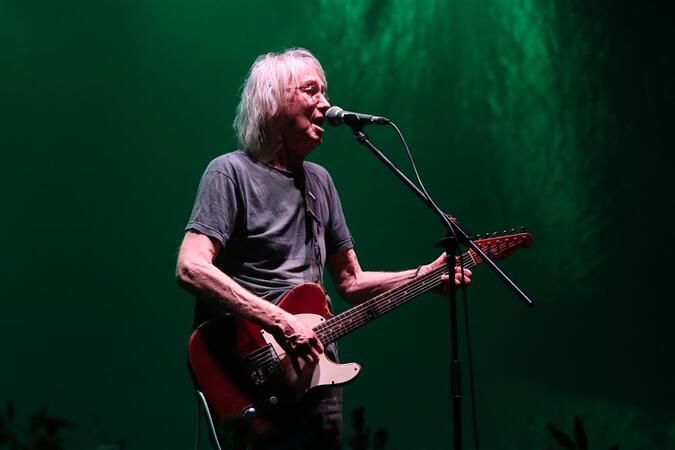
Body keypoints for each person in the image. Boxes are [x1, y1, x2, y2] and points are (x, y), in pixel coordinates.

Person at [176, 48, 472, 450]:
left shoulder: (319, 182)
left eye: (326, 92)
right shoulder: (230, 172)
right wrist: (282, 323)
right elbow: (191, 266)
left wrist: (424, 275)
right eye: (311, 90)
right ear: (273, 101)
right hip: (250, 374)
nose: (326, 103)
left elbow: (350, 280)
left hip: (318, 372)